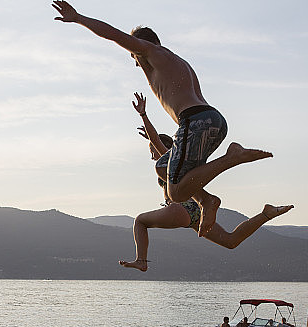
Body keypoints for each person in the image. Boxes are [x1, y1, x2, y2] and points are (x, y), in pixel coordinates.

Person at [52, 1, 291, 236]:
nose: (135, 63)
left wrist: (79, 18)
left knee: (175, 193)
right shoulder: (174, 61)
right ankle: (206, 200)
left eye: (134, 56)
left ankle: (232, 158)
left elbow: (114, 35)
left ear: (141, 45)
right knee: (162, 166)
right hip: (212, 120)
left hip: (195, 122)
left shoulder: (151, 52)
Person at [119, 93, 297, 272]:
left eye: (152, 152)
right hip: (196, 212)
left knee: (140, 221)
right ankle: (266, 214)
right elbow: (156, 141)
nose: (152, 155)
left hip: (181, 208)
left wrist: (144, 115)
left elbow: (158, 142)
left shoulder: (171, 160)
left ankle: (141, 260)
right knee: (230, 241)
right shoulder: (180, 164)